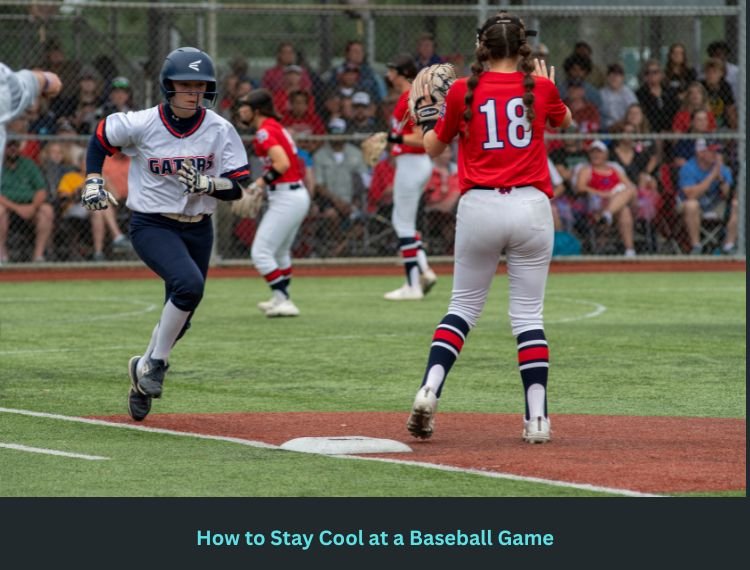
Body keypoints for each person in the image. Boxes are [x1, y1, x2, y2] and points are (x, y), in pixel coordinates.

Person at [406, 13, 572, 443]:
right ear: (522, 48)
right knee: (528, 317)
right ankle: (537, 419)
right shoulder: (543, 87)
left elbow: (433, 148)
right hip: (532, 207)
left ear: (481, 46)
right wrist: (545, 83)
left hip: (479, 205)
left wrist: (428, 116)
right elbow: (564, 122)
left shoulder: (464, 89)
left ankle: (429, 389)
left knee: (461, 308)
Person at [80, 47, 251, 422]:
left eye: (200, 86)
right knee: (189, 285)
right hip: (152, 223)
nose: (193, 92)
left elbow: (239, 186)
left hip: (198, 228)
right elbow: (101, 137)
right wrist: (93, 178)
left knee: (183, 315)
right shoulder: (143, 122)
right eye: (184, 85)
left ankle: (142, 369)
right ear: (167, 87)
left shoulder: (220, 129)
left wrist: (209, 183)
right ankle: (156, 363)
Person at [241, 89, 311, 317]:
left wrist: (258, 184)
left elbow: (281, 163)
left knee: (261, 252)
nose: (241, 110)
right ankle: (280, 298)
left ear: (257, 110)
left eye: (245, 106)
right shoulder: (273, 126)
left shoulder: (264, 131)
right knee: (280, 252)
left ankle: (284, 300)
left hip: (287, 196)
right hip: (292, 194)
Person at [382, 53, 437, 301]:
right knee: (402, 222)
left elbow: (421, 138)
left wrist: (391, 139)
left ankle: (412, 285)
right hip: (412, 163)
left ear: (402, 72)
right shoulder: (410, 95)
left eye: (392, 70)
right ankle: (424, 270)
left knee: (402, 224)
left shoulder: (410, 97)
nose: (388, 75)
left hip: (412, 163)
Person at [576, 140, 637, 257]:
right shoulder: (586, 169)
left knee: (628, 196)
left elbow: (630, 186)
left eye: (599, 152)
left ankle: (608, 214)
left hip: (615, 202)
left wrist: (614, 194)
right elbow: (580, 188)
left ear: (606, 155)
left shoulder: (614, 169)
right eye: (593, 152)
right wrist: (602, 194)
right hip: (597, 205)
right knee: (624, 210)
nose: (595, 155)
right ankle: (630, 249)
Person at [677, 139, 737, 255]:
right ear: (700, 153)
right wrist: (711, 176)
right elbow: (691, 195)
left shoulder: (722, 168)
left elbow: (729, 196)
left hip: (715, 204)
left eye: (718, 152)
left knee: (736, 204)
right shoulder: (688, 168)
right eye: (712, 151)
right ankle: (696, 246)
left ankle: (729, 246)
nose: (716, 155)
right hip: (692, 205)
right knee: (691, 205)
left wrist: (720, 179)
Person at [0, 140, 55, 263]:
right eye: (9, 146)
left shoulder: (28, 164)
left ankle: (38, 255)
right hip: (7, 205)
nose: (12, 149)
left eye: (15, 146)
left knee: (47, 210)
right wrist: (16, 208)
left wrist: (33, 207)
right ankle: (2, 254)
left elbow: (41, 191)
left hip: (30, 205)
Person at [599, 63, 637, 130]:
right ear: (607, 77)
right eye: (612, 74)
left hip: (626, 126)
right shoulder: (601, 94)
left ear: (622, 78)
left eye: (618, 75)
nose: (614, 77)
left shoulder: (628, 93)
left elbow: (635, 112)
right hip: (607, 128)